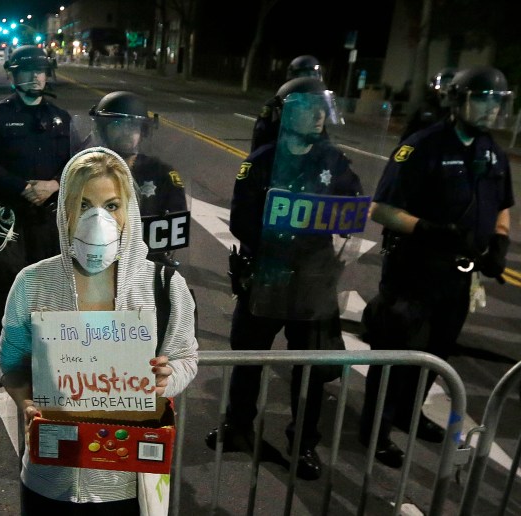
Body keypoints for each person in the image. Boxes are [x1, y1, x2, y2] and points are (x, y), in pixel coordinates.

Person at [0, 146, 198, 514]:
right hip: (49, 480)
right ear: (65, 210)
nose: (97, 218)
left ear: (129, 212)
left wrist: (166, 380)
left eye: (111, 206)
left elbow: (186, 357)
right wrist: (24, 401)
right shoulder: (32, 283)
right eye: (84, 205)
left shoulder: (164, 285)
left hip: (124, 485)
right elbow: (11, 362)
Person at [206, 77, 363, 481]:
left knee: (308, 366)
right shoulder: (260, 162)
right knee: (248, 358)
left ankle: (304, 441)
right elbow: (241, 220)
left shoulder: (333, 161)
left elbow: (353, 210)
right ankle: (237, 424)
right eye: (307, 107)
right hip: (267, 275)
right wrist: (276, 240)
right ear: (285, 113)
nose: (317, 115)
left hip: (312, 279)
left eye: (320, 107)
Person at [359, 65, 514, 469]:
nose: (490, 110)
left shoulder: (492, 152)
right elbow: (381, 210)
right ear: (458, 100)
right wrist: (427, 230)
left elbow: (501, 206)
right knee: (397, 353)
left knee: (437, 352)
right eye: (482, 99)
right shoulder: (423, 146)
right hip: (413, 272)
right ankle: (375, 430)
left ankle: (411, 414)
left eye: (496, 102)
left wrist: (500, 241)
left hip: (458, 278)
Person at [0, 45, 72, 386]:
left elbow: (76, 164)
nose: (34, 77)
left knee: (52, 288)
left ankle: (53, 358)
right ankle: (8, 360)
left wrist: (54, 185)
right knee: (9, 289)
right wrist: (22, 187)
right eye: (27, 70)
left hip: (49, 219)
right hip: (9, 220)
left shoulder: (62, 119)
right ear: (12, 75)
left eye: (40, 70)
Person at [88, 91, 188, 265]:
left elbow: (177, 222)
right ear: (103, 129)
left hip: (146, 264)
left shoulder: (161, 173)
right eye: (117, 124)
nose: (126, 132)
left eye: (133, 126)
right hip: (97, 260)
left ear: (143, 131)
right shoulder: (87, 170)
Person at [251, 55, 324, 152]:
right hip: (279, 156)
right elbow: (260, 135)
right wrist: (256, 161)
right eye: (305, 75)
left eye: (313, 75)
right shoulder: (277, 103)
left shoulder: (319, 104)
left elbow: (323, 138)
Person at [399, 67, 457, 142]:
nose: (446, 86)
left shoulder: (459, 109)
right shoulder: (426, 107)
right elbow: (410, 130)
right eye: (443, 82)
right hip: (425, 148)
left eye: (450, 83)